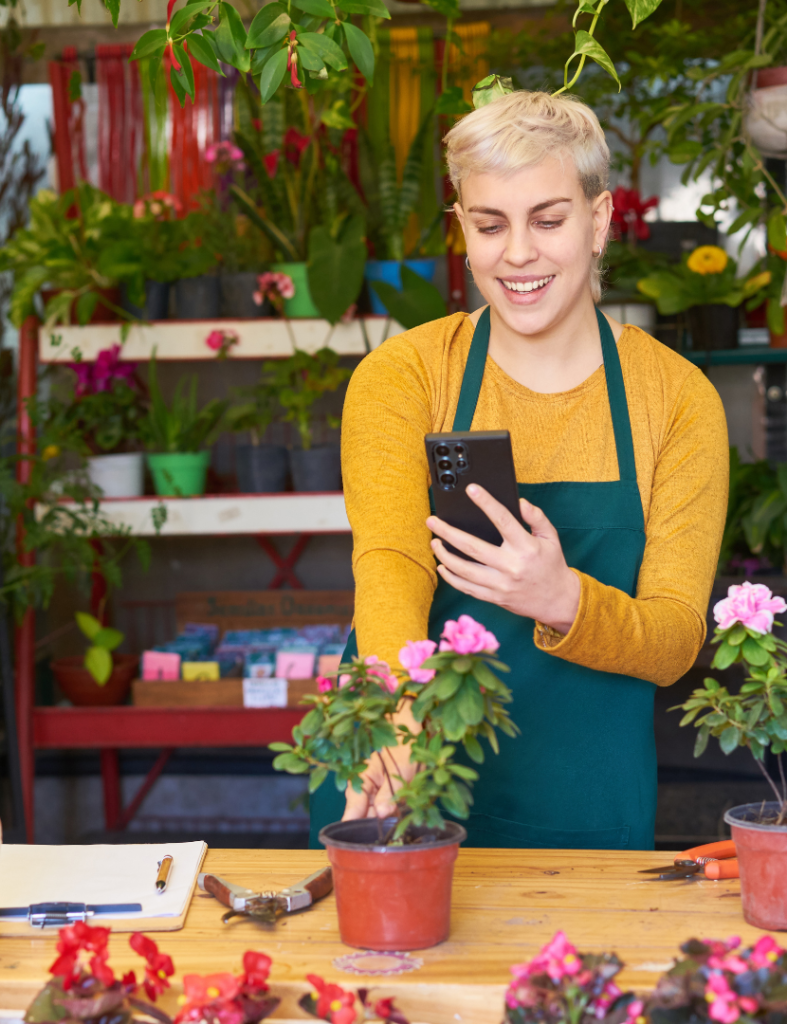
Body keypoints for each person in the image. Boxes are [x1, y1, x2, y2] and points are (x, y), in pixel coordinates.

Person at [309, 91, 729, 851]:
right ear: (463, 230)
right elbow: (392, 564)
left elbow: (673, 640)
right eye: (490, 223)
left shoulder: (675, 400)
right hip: (408, 774)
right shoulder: (406, 376)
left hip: (585, 797)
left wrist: (563, 598)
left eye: (548, 219)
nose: (518, 254)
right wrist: (394, 722)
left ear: (597, 222)